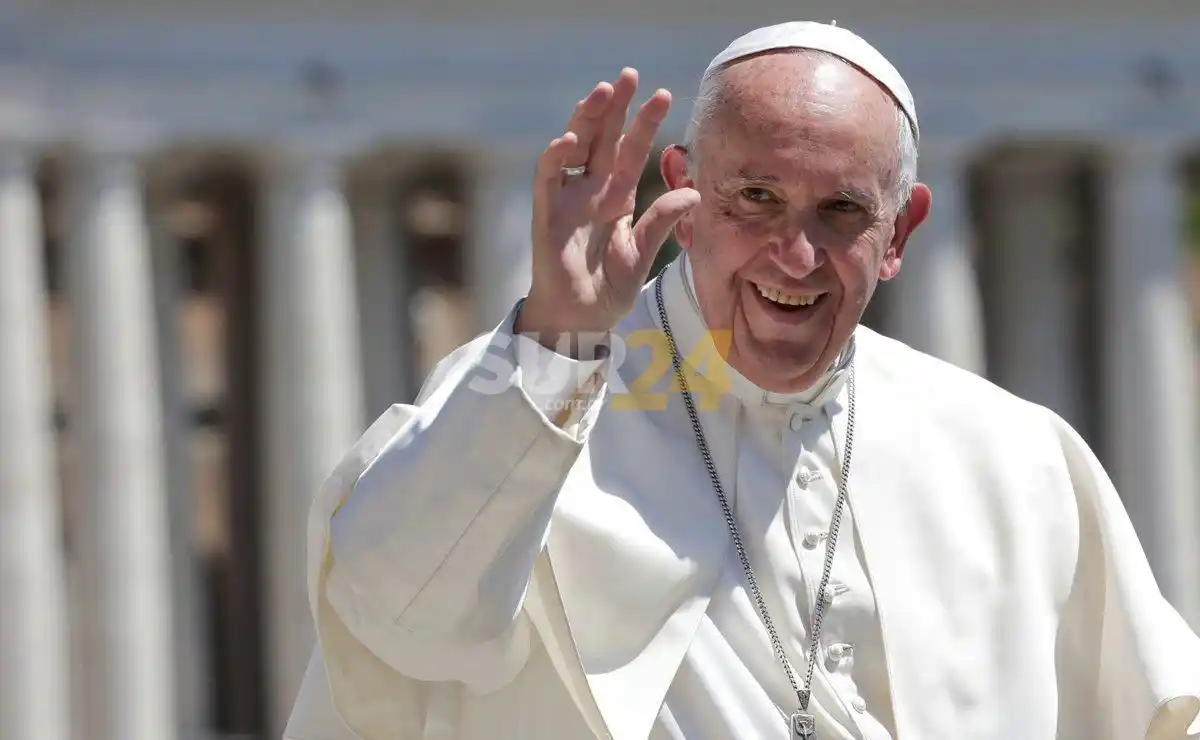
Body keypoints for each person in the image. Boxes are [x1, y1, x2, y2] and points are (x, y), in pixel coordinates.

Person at [283, 20, 1200, 740]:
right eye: (753, 198)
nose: (795, 255)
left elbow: (1161, 712)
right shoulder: (526, 400)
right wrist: (559, 339)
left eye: (841, 210)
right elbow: (395, 620)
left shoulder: (1013, 457)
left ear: (900, 234)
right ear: (680, 192)